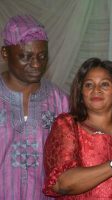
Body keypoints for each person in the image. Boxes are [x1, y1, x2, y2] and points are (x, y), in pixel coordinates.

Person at [43, 58, 112, 199]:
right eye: (89, 85)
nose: (96, 90)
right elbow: (62, 183)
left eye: (104, 84)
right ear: (81, 92)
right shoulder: (67, 125)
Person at [0, 15, 69, 199]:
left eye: (42, 56)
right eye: (26, 56)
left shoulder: (60, 101)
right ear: (5, 53)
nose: (37, 64)